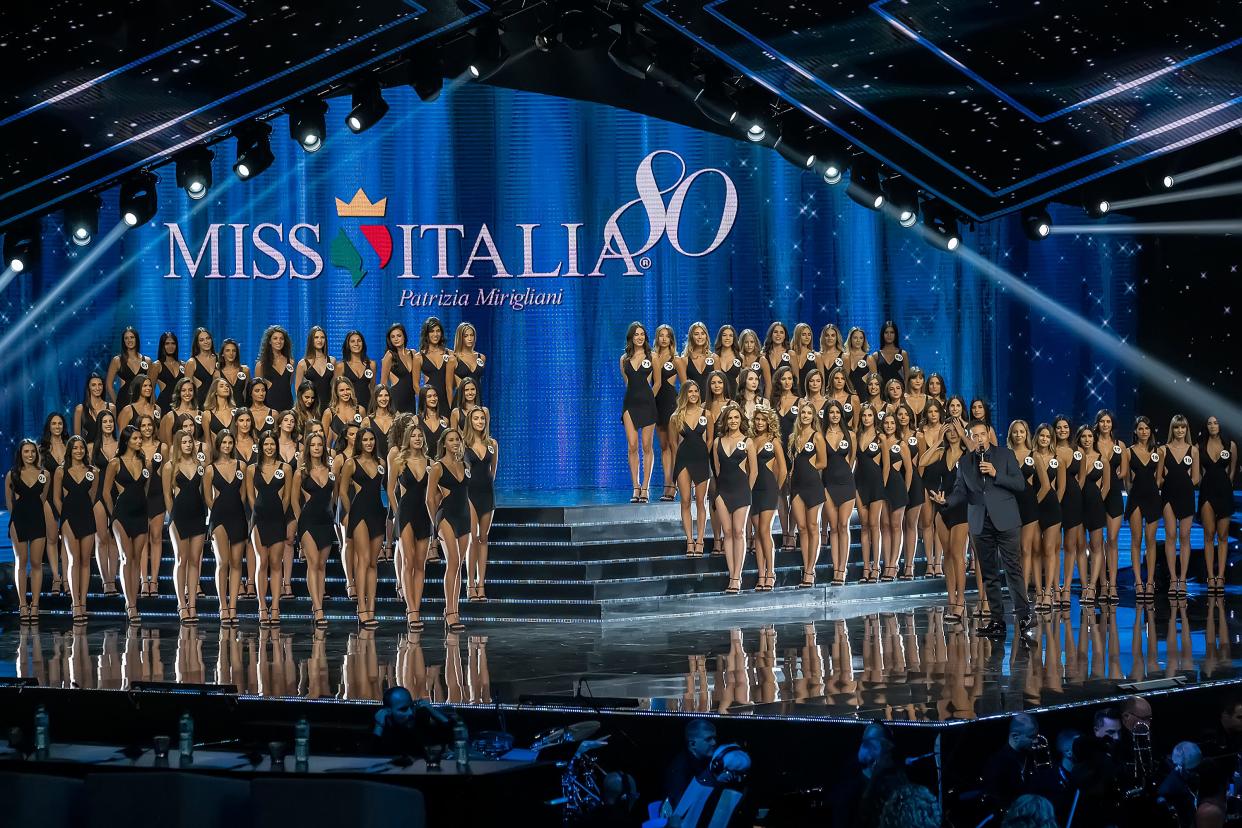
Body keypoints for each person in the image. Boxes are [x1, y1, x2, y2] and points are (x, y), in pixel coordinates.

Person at [930, 419, 1033, 641]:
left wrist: (996, 473)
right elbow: (960, 492)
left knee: (1013, 569)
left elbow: (1020, 484)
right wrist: (945, 500)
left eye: (981, 435)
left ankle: (1025, 615)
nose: (978, 440)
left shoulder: (1005, 455)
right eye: (974, 436)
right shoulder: (965, 462)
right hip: (979, 522)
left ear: (988, 435)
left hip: (1005, 521)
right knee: (988, 573)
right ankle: (997, 620)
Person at [666, 744, 752, 828]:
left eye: (742, 775)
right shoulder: (695, 784)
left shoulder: (734, 793)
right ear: (717, 767)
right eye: (733, 774)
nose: (739, 780)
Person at [371, 686, 454, 760]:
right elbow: (370, 757)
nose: (410, 713)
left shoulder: (418, 721)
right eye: (403, 709)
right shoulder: (381, 727)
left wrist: (433, 711)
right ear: (388, 711)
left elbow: (455, 736)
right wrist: (379, 726)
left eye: (411, 706)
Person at [981, 712, 1040, 810]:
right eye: (1031, 737)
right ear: (1015, 736)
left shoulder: (1031, 755)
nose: (1036, 741)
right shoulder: (997, 763)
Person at [664, 719, 717, 805]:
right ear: (692, 744)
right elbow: (680, 808)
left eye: (714, 738)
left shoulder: (706, 761)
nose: (714, 742)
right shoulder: (679, 770)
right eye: (709, 739)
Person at [1156, 741, 1201, 828]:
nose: (1195, 773)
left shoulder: (1186, 778)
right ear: (1180, 766)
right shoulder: (1169, 787)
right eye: (1190, 770)